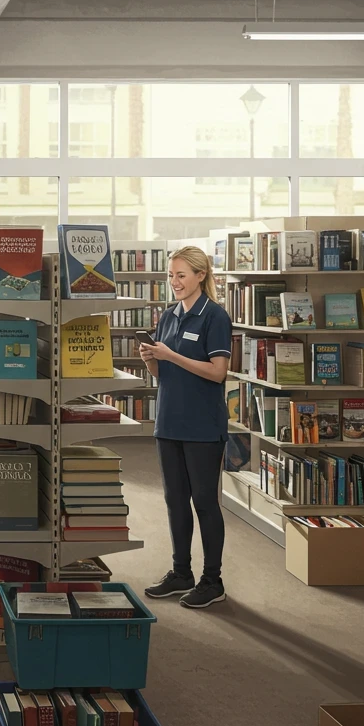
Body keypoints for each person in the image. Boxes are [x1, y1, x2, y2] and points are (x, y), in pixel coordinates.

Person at [139, 246, 232, 609]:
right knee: (175, 501)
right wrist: (152, 360)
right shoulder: (167, 317)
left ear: (200, 276)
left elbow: (217, 372)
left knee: (205, 502)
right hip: (169, 422)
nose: (174, 282)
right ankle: (182, 573)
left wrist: (172, 354)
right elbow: (164, 375)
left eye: (181, 275)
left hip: (203, 427)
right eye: (170, 275)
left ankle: (213, 580)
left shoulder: (215, 318)